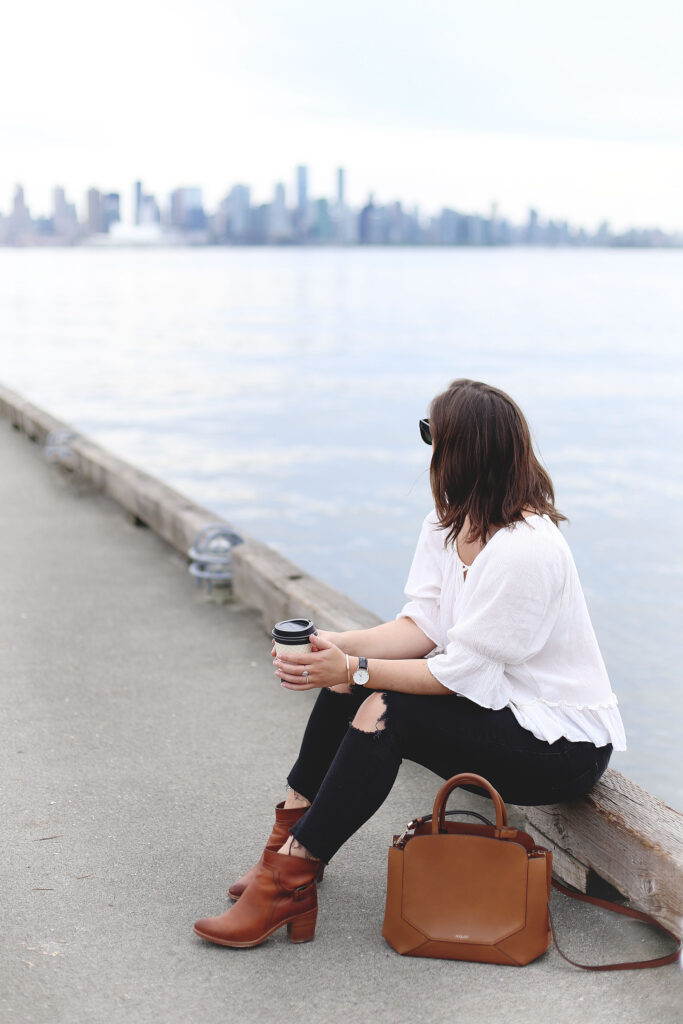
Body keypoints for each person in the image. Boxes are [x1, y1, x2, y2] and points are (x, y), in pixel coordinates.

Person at [193, 378, 626, 949]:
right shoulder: (450, 524)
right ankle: (285, 851)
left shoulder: (525, 550)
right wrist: (336, 647)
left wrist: (354, 669)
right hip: (497, 710)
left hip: (558, 745)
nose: (427, 448)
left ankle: (286, 882)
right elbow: (422, 627)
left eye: (431, 434)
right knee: (352, 679)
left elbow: (457, 678)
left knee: (387, 705)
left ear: (462, 452)